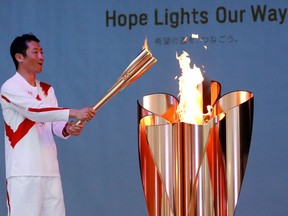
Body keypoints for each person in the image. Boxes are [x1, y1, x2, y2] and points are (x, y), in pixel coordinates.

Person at [0, 33, 96, 216]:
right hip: (24, 172)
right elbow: (35, 111)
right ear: (19, 57)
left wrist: (68, 128)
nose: (41, 57)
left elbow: (55, 124)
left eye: (42, 52)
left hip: (51, 171)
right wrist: (74, 112)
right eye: (35, 52)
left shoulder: (47, 89)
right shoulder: (10, 87)